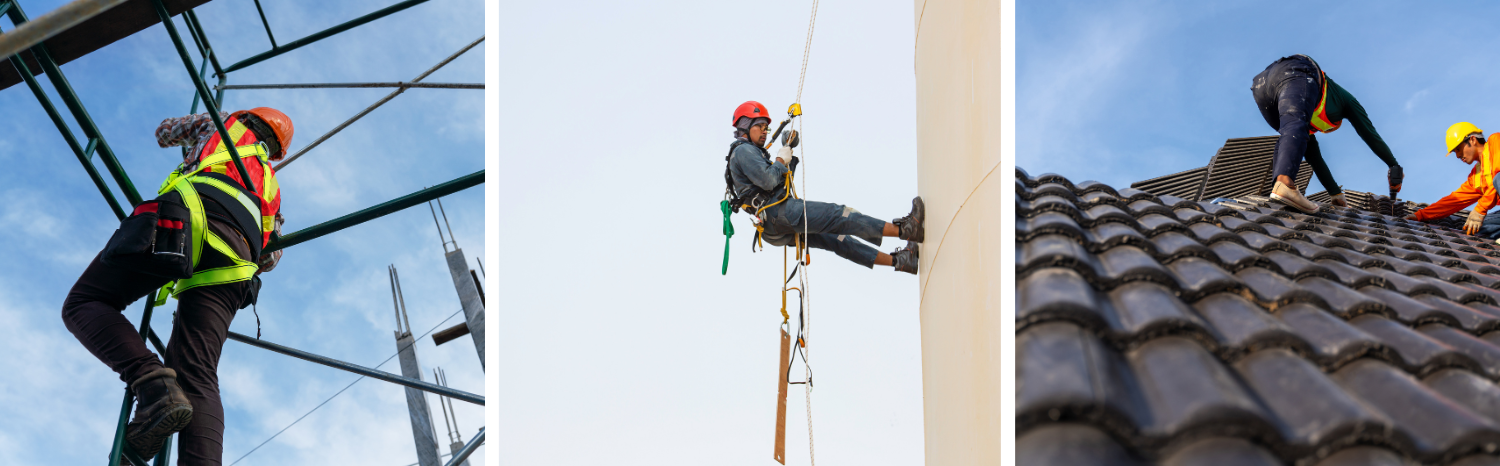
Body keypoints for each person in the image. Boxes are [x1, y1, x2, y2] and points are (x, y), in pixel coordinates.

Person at [62, 108, 292, 465]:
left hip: (185, 222)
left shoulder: (220, 124)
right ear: (276, 149)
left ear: (248, 119)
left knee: (85, 302)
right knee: (198, 372)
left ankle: (154, 386)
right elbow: (271, 259)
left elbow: (165, 132)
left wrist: (191, 147)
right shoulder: (272, 190)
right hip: (234, 264)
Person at [724, 101, 923, 273]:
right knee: (839, 215)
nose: (765, 132)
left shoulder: (753, 153)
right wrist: (779, 159)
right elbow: (769, 180)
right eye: (760, 126)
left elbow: (779, 181)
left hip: (774, 224)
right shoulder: (743, 151)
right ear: (745, 127)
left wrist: (788, 152)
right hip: (778, 213)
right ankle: (906, 229)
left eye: (767, 128)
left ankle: (901, 262)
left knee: (837, 239)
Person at [1250, 54, 1403, 213]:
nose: (1320, 130)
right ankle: (1284, 183)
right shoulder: (1346, 101)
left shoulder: (1305, 114)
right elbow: (1370, 134)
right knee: (1296, 127)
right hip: (1297, 70)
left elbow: (1315, 158)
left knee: (1290, 137)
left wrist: (1335, 193)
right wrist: (1393, 165)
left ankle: (1278, 189)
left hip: (1262, 86)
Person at [1404, 122, 1500, 239]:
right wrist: (1420, 215)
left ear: (1473, 140)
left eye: (1458, 149)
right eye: (1455, 152)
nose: (1458, 156)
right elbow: (1454, 201)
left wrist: (1480, 209)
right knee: (1479, 228)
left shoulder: (1496, 141)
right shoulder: (1476, 177)